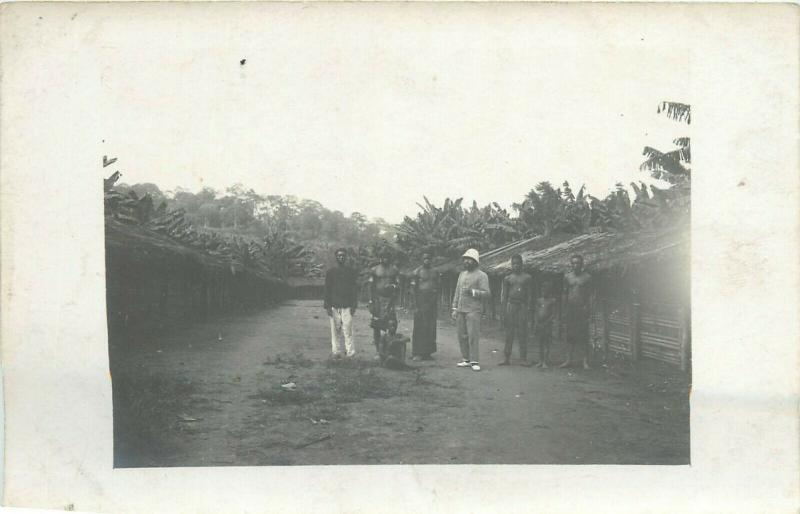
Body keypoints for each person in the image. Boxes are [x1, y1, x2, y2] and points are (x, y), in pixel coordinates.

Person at [451, 248, 491, 372]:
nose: (467, 262)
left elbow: (487, 293)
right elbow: (457, 291)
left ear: (475, 261)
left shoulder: (482, 275)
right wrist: (454, 308)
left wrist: (473, 292)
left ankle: (474, 361)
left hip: (474, 310)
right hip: (461, 309)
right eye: (465, 259)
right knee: (461, 335)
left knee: (473, 335)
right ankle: (466, 359)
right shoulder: (462, 274)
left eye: (469, 259)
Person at [323, 248, 359, 358]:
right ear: (336, 257)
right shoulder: (330, 272)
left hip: (347, 305)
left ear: (346, 257)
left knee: (348, 329)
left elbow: (354, 290)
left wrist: (354, 305)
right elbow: (327, 289)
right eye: (339, 255)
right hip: (334, 305)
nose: (341, 257)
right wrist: (327, 306)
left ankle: (350, 352)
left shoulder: (351, 272)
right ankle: (336, 352)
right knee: (335, 330)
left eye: (343, 255)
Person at [560, 254, 593, 369]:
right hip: (571, 309)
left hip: (582, 309)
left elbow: (590, 295)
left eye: (578, 263)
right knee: (570, 336)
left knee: (584, 336)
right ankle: (568, 360)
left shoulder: (587, 278)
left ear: (582, 264)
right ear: (571, 265)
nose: (576, 265)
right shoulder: (567, 277)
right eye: (573, 263)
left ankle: (585, 362)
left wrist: (588, 309)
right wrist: (564, 309)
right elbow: (564, 293)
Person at [500, 254, 533, 366]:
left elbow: (529, 294)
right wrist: (504, 310)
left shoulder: (527, 278)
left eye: (518, 263)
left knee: (522, 332)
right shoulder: (508, 278)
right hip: (511, 306)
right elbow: (504, 296)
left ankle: (523, 358)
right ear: (511, 265)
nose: (516, 266)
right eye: (513, 263)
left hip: (522, 306)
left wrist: (528, 308)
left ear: (521, 264)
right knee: (509, 332)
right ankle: (506, 357)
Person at [368, 250, 400, 355]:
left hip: (390, 300)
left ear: (390, 258)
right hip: (377, 299)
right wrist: (370, 300)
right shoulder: (374, 270)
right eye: (383, 257)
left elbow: (398, 285)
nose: (385, 259)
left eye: (387, 257)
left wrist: (393, 286)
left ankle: (390, 349)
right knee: (377, 324)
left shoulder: (394, 270)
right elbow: (370, 287)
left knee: (392, 323)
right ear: (380, 258)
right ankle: (378, 350)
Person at [410, 251, 440, 361]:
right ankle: (417, 352)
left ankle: (428, 352)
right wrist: (415, 305)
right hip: (420, 301)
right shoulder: (417, 272)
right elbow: (413, 290)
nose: (427, 260)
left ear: (431, 259)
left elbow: (437, 286)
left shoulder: (435, 272)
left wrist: (434, 300)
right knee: (419, 327)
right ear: (421, 260)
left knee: (430, 327)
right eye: (424, 258)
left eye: (428, 258)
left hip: (431, 302)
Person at [533, 280, 557, 368]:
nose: (543, 292)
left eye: (546, 290)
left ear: (549, 291)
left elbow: (553, 314)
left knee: (547, 343)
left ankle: (545, 361)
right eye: (542, 290)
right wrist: (536, 322)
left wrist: (546, 323)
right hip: (540, 325)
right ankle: (540, 360)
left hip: (547, 325)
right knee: (540, 343)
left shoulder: (552, 301)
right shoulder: (539, 300)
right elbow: (536, 312)